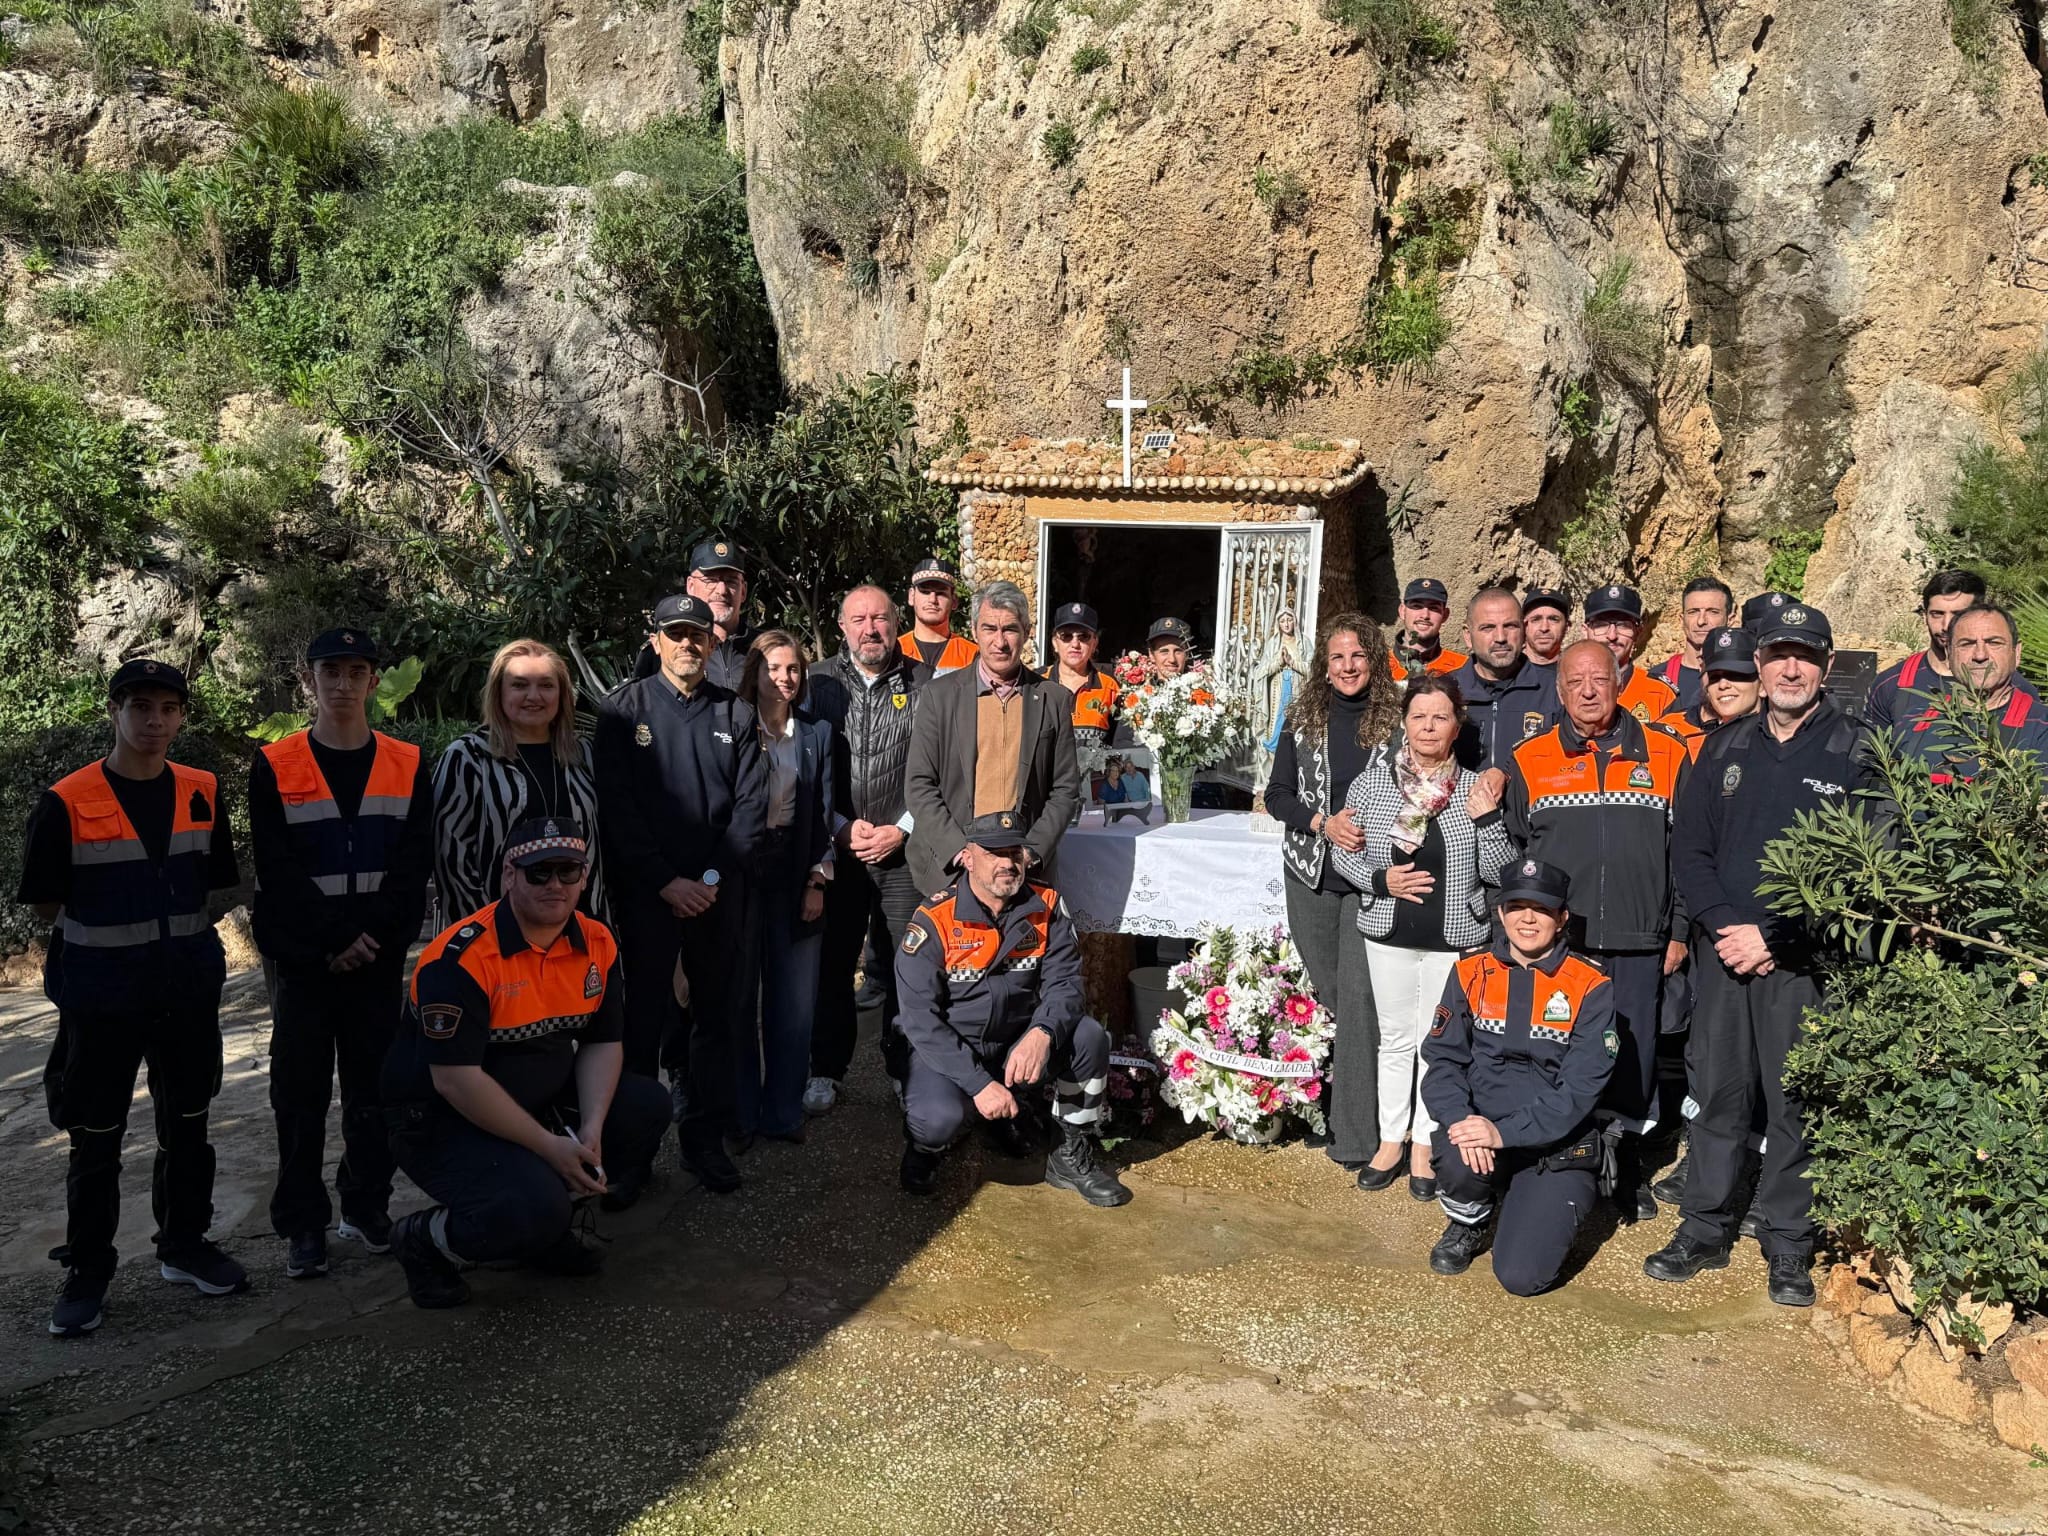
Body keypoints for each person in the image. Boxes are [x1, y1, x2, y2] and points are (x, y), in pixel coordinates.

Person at [1652, 602, 1882, 1306]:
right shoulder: (1723, 748)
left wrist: (1775, 936)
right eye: (1779, 655)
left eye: (1805, 656)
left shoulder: (1858, 752)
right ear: (1758, 663)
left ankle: (1788, 1242)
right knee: (1717, 1097)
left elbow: (1867, 873)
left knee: (1793, 1103)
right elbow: (1691, 852)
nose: (1790, 668)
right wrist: (1726, 928)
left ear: (1826, 666)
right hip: (1725, 955)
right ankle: (1704, 1227)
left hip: (1801, 965)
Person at [23, 661, 247, 1335]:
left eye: (168, 709)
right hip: (102, 998)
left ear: (181, 717)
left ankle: (185, 1245)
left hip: (185, 991)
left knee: (190, 1124)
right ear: (114, 711)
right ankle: (88, 1271)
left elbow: (215, 883)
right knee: (96, 1137)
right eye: (141, 706)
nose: (155, 721)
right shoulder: (65, 800)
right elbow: (46, 904)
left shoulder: (203, 790)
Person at [382, 818, 671, 1309]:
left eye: (568, 871)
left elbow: (603, 1043)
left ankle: (543, 1228)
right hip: (439, 1120)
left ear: (584, 877)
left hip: (535, 1100)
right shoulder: (459, 960)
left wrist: (591, 1131)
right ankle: (424, 1238)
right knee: (533, 1204)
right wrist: (551, 1147)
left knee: (645, 1108)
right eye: (538, 872)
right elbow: (455, 1082)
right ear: (508, 876)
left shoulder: (597, 941)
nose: (555, 884)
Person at [249, 627, 434, 1281]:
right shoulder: (275, 764)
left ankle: (366, 1203)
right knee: (298, 1096)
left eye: (357, 672)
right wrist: (333, 940)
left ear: (373, 682)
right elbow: (277, 868)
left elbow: (412, 866)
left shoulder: (407, 762)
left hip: (375, 961)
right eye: (331, 671)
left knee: (374, 1090)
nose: (343, 684)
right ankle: (304, 1223)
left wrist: (370, 941)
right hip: (306, 963)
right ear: (309, 680)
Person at [1501, 639, 1688, 1220]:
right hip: (1563, 944)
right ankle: (1554, 1158)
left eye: (1599, 680)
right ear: (1559, 690)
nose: (1587, 691)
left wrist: (1679, 929)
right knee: (1556, 1050)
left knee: (1632, 1056)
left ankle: (1624, 1163)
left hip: (1640, 938)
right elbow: (1515, 848)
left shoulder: (1667, 753)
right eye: (1575, 682)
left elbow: (1686, 852)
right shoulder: (1529, 758)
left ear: (1619, 684)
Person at [593, 593, 767, 1197]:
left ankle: (704, 1141)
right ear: (657, 640)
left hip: (717, 897)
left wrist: (709, 881)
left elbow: (750, 809)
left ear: (713, 643)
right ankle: (631, 1157)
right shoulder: (622, 711)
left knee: (715, 1020)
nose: (688, 643)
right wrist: (665, 881)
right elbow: (616, 809)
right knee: (640, 1025)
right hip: (649, 897)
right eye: (676, 634)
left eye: (698, 634)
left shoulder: (736, 713)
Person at [1332, 675, 1518, 1199]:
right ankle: (1390, 1140)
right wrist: (1380, 880)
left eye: (1440, 717)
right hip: (1389, 932)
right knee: (1394, 1039)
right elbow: (1344, 853)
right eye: (1419, 716)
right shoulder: (1373, 785)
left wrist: (1488, 821)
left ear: (1457, 726)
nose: (1429, 727)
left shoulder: (1476, 788)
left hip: (1454, 938)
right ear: (1404, 723)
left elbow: (1502, 870)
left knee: (1438, 1045)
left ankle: (1424, 1143)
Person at [895, 810, 1132, 1208]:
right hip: (954, 1047)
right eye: (993, 853)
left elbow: (1066, 985)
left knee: (1089, 1037)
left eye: (1014, 852)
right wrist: (978, 1084)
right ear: (968, 858)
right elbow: (919, 1019)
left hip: (1018, 1043)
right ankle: (926, 1149)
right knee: (937, 1119)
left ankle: (1069, 1152)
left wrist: (1043, 1033)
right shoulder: (935, 919)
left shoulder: (1047, 905)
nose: (1007, 863)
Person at [1420, 859, 1618, 1294]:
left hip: (1553, 1144)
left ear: (1561, 918)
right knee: (1455, 1153)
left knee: (1522, 1278)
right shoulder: (1469, 971)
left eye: (1541, 909)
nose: (1528, 919)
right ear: (1501, 912)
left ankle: (1529, 1202)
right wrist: (1461, 1121)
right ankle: (1471, 1219)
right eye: (1517, 907)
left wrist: (1503, 1133)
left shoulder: (1591, 983)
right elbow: (1442, 1061)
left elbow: (1581, 1089)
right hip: (1481, 1131)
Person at [1266, 614, 1405, 1174]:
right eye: (1337, 657)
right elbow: (1277, 795)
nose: (1348, 667)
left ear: (1374, 660)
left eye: (1358, 656)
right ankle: (1342, 1105)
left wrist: (1377, 831)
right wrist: (1323, 823)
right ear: (1324, 666)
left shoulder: (1398, 721)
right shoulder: (1302, 720)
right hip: (1312, 875)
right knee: (1332, 996)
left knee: (1359, 999)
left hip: (1370, 878)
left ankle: (1355, 1137)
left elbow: (1419, 789)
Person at [809, 585, 924, 1112]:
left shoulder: (926, 684)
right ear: (842, 626)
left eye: (880, 618)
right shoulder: (816, 683)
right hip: (839, 850)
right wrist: (837, 827)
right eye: (859, 619)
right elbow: (802, 767)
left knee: (907, 967)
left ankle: (904, 1070)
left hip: (903, 853)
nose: (870, 629)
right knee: (833, 965)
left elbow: (940, 769)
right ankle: (825, 1069)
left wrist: (902, 828)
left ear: (896, 623)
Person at [904, 581, 1080, 898]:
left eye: (1010, 629)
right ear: (974, 631)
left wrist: (1031, 851)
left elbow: (1065, 789)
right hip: (952, 870)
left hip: (1024, 871)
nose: (999, 642)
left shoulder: (1053, 699)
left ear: (1027, 632)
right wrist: (959, 851)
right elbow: (919, 784)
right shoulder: (939, 697)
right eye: (989, 628)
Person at [732, 632, 834, 1144]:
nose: (784, 678)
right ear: (755, 672)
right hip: (742, 869)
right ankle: (741, 1115)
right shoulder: (732, 727)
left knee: (794, 1002)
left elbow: (823, 813)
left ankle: (783, 1112)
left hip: (794, 868)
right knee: (739, 997)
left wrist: (818, 879)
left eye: (793, 668)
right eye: (773, 667)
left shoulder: (816, 733)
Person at [432, 639, 605, 926]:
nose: (534, 696)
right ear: (498, 692)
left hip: (581, 929)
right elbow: (451, 858)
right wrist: (483, 929)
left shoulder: (585, 754)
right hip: (496, 930)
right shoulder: (468, 757)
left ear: (563, 694)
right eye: (519, 685)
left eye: (546, 685)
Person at [1890, 603, 2048, 785]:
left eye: (1994, 643)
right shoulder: (1915, 719)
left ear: (2017, 652)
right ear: (1949, 653)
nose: (1980, 655)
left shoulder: (2041, 726)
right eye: (1967, 644)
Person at [1861, 569, 1998, 729]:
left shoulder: (2005, 686)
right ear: (1924, 615)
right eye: (1937, 614)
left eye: (1958, 614)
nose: (1946, 625)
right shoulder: (1891, 684)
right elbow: (1869, 743)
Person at [1451, 588, 1561, 771]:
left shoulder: (1555, 689)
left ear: (1524, 630)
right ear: (1468, 636)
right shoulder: (1446, 691)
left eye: (1510, 626)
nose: (1501, 638)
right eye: (1488, 628)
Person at [1655, 628, 1761, 761]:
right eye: (1714, 676)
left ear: (1762, 678)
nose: (1723, 685)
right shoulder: (1671, 731)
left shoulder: (1780, 738)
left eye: (1735, 674)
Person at [1581, 584, 1678, 723]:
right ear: (1585, 631)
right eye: (1601, 625)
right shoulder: (1566, 688)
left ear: (1638, 632)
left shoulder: (1661, 693)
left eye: (1623, 625)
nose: (1612, 636)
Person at [1042, 602, 1119, 753]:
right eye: (1066, 636)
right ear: (1055, 643)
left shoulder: (1110, 687)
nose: (1075, 644)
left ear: (1094, 643)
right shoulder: (1037, 684)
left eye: (1083, 636)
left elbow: (1121, 744)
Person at [1652, 578, 1734, 712]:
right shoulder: (1657, 678)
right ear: (1681, 619)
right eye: (1693, 612)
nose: (1701, 621)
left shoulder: (1744, 678)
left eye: (1713, 612)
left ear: (1730, 620)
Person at [1252, 609, 1309, 785]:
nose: (1286, 624)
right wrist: (1278, 662)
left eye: (1289, 620)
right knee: (1276, 730)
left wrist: (1293, 663)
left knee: (1295, 729)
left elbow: (1313, 669)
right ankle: (1272, 776)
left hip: (1297, 692)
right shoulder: (1273, 644)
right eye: (1282, 621)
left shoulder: (1304, 643)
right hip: (1277, 693)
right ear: (1278, 624)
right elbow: (1260, 671)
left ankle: (1292, 776)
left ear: (1294, 621)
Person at [900, 556, 979, 677]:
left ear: (954, 601)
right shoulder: (895, 650)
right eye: (925, 592)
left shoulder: (972, 655)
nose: (932, 600)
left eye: (941, 593)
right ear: (911, 596)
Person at [1389, 576, 1468, 680]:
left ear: (1445, 615)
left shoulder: (1464, 667)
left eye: (1433, 608)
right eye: (1417, 606)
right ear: (1402, 611)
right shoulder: (1378, 665)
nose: (1425, 615)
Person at [1521, 587, 1570, 673]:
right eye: (1536, 619)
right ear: (1524, 626)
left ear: (1567, 627)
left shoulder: (1574, 672)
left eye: (1553, 619)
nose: (1544, 628)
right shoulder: (1507, 671)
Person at [1099, 754, 1151, 821]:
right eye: (1127, 767)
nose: (1129, 769)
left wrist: (1147, 801)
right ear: (1125, 769)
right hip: (1131, 803)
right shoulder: (1122, 778)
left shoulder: (1140, 775)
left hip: (1143, 801)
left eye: (1130, 766)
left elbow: (1147, 789)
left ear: (1134, 767)